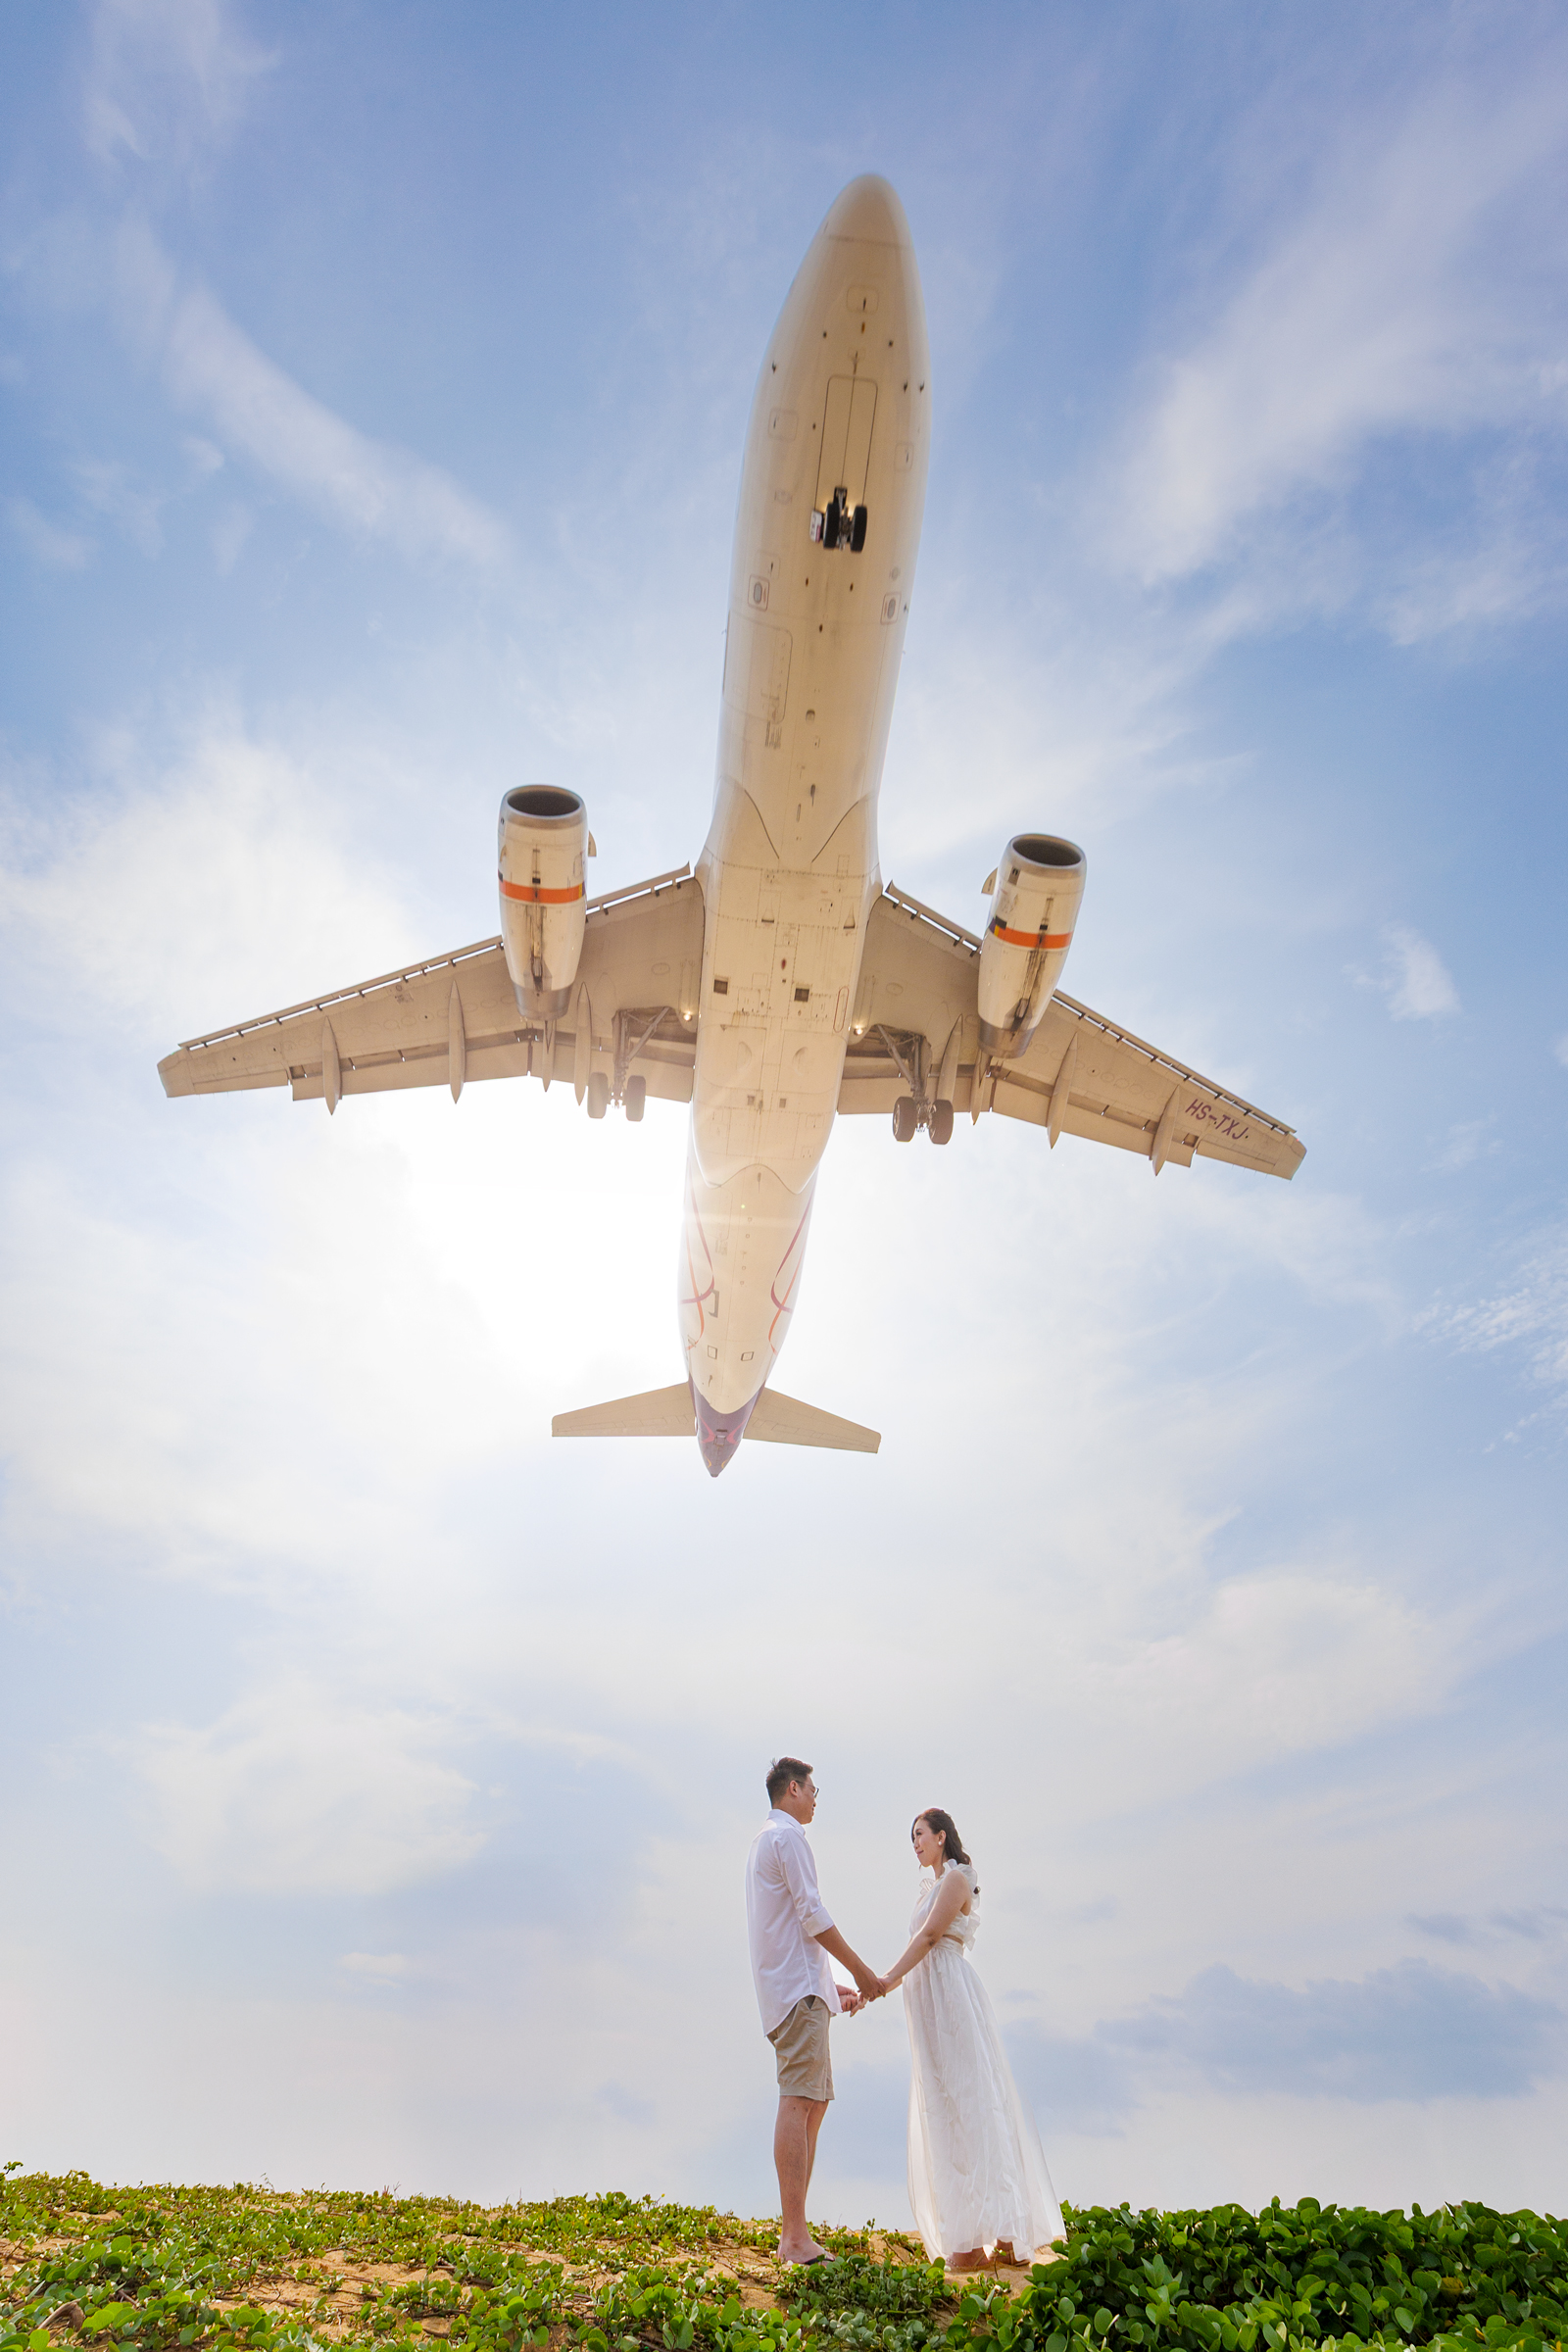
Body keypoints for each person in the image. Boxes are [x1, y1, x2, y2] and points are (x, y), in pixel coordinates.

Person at [878, 1807, 1063, 2272]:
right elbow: (921, 1943)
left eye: (919, 1835)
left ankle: (1003, 2232)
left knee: (975, 2104)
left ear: (942, 1836)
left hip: (952, 2000)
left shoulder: (958, 1879)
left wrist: (882, 1982)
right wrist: (885, 1986)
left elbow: (930, 1938)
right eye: (911, 1838)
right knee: (944, 2109)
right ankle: (964, 2240)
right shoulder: (929, 1887)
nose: (915, 1844)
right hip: (929, 2003)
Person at [746, 1757, 885, 2266]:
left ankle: (796, 2230)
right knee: (799, 2100)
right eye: (813, 1789)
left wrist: (836, 1988)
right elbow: (811, 1915)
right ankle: (794, 2238)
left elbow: (792, 1932)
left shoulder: (767, 1840)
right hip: (795, 1993)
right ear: (794, 1787)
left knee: (815, 2101)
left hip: (800, 1988)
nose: (816, 1798)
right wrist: (864, 1973)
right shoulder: (787, 1838)